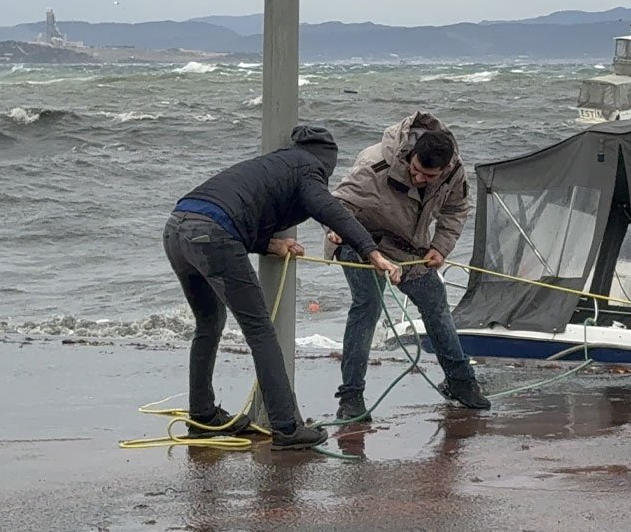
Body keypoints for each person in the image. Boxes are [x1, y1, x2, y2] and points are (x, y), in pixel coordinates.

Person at [163, 125, 402, 450]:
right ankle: (287, 426)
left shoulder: (276, 164)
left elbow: (241, 209)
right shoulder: (308, 169)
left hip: (177, 228)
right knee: (260, 329)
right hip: (211, 234)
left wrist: (269, 245)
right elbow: (333, 211)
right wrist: (371, 251)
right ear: (327, 162)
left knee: (208, 324)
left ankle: (203, 416)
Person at [325, 112, 491, 421]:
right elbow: (337, 205)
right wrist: (335, 229)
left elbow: (456, 209)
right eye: (415, 172)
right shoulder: (375, 165)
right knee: (368, 307)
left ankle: (461, 383)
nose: (419, 179)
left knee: (436, 304)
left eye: (428, 177)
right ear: (409, 156)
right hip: (360, 241)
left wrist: (440, 246)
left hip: (407, 248)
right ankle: (351, 398)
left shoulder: (455, 173)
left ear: (444, 168)